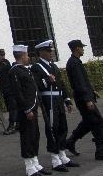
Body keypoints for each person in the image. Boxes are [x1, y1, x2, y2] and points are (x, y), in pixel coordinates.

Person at [64, 40, 103, 160]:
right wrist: (88, 99)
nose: (83, 49)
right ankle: (100, 151)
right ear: (77, 48)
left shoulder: (75, 62)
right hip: (84, 99)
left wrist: (92, 91)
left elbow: (83, 81)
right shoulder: (74, 63)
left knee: (88, 123)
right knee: (99, 123)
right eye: (81, 47)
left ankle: (70, 142)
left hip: (83, 97)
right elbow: (79, 84)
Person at [33, 40, 79, 172]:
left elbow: (61, 84)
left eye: (51, 51)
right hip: (49, 101)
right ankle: (55, 159)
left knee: (62, 127)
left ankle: (62, 155)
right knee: (53, 129)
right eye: (48, 51)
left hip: (58, 99)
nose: (51, 53)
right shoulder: (37, 67)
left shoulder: (53, 66)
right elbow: (37, 86)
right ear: (41, 53)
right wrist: (47, 80)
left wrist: (67, 100)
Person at [9, 44, 51, 176]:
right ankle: (29, 167)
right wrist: (27, 109)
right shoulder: (15, 71)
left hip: (33, 107)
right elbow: (18, 92)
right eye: (27, 55)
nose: (28, 57)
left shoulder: (25, 70)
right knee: (27, 137)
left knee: (35, 135)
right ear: (22, 56)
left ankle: (35, 162)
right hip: (25, 110)